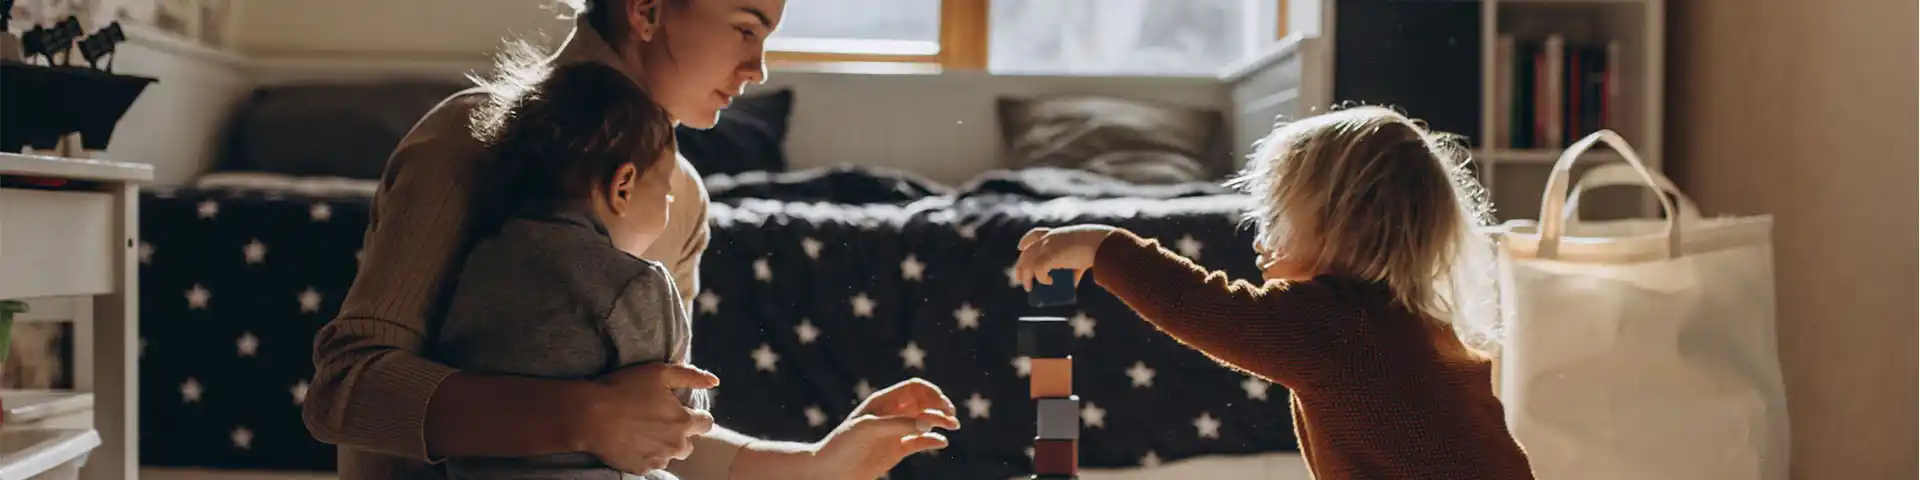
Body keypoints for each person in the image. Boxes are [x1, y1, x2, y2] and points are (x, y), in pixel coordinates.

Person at [301, 1, 960, 479]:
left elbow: (648, 428)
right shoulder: (468, 138)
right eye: (745, 27)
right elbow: (347, 391)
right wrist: (580, 416)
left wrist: (814, 465)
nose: (758, 67)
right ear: (646, 10)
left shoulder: (683, 195)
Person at [1011, 106, 1536, 479]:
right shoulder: (1413, 324)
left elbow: (1203, 306)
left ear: (1350, 223)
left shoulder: (1336, 324)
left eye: (1279, 218)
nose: (1260, 239)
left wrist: (1104, 247)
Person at [430, 61, 701, 480]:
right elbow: (676, 407)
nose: (668, 208)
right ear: (622, 186)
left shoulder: (479, 259)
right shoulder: (636, 283)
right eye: (666, 194)